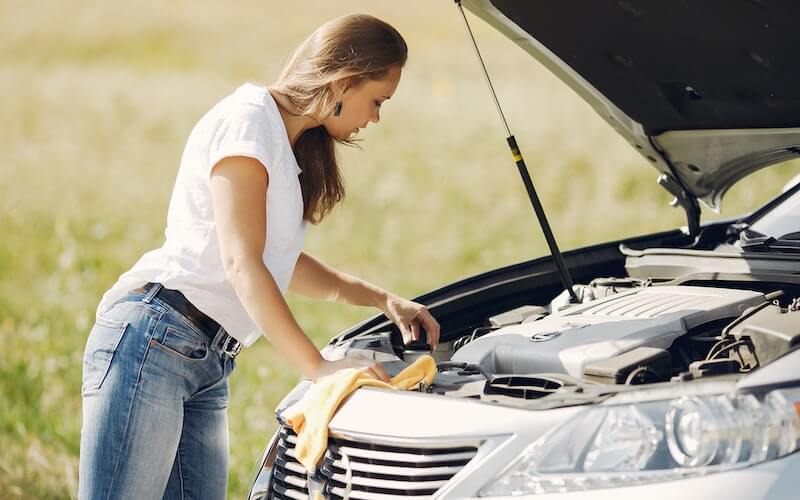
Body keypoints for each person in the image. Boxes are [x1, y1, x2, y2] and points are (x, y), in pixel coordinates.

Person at [78, 13, 440, 500]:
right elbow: (241, 263)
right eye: (377, 100)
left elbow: (281, 264)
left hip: (208, 363)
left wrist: (384, 300)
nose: (375, 117)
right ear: (345, 80)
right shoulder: (247, 122)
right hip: (155, 342)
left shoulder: (290, 147)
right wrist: (317, 367)